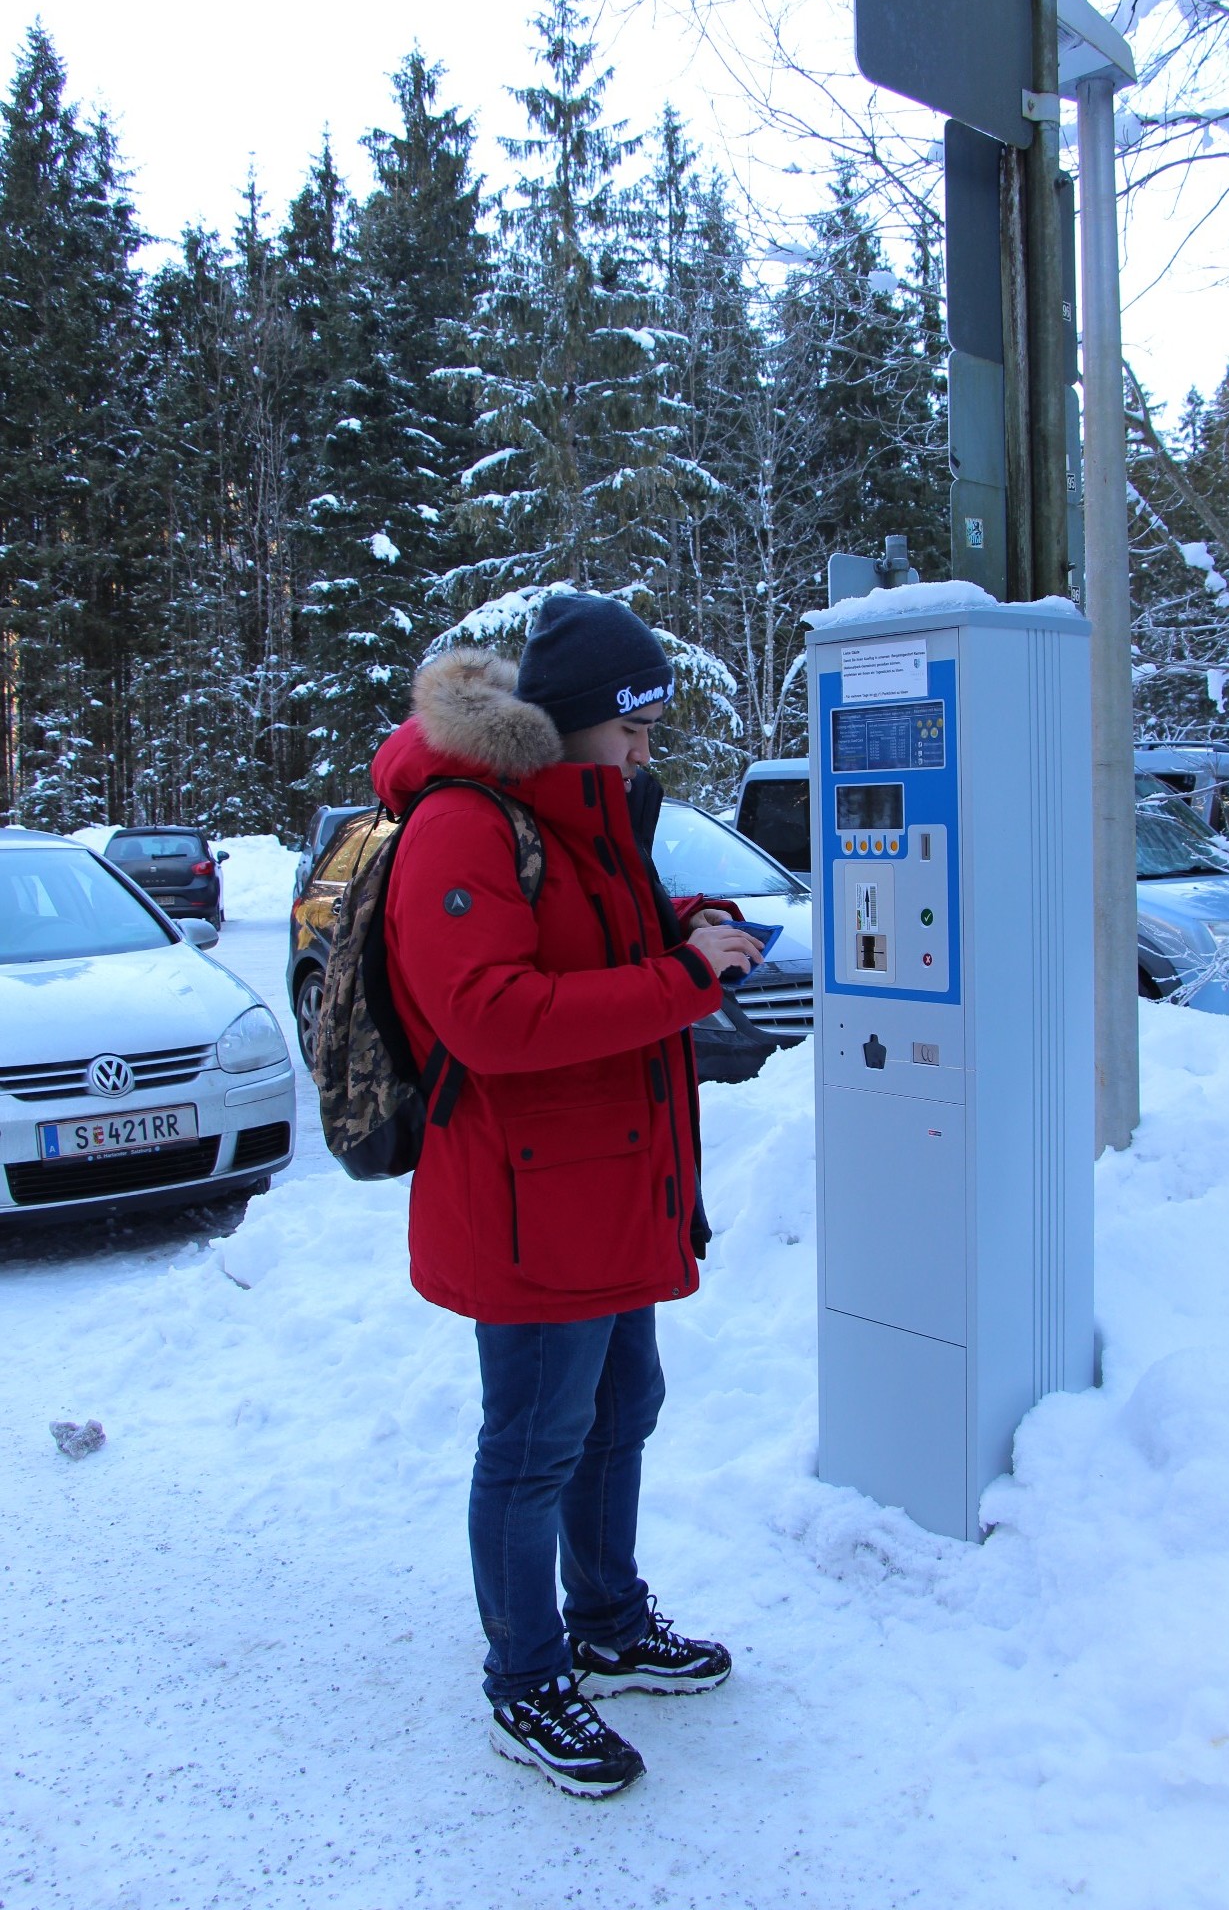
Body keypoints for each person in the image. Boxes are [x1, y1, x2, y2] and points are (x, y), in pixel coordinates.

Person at [369, 594, 764, 1798]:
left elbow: (605, 939)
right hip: (528, 1198)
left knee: (620, 1405)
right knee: (535, 1440)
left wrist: (690, 922)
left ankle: (606, 1617)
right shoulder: (463, 826)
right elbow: (489, 1015)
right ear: (575, 719)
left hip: (610, 1186)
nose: (649, 747)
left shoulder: (585, 814)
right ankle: (525, 1673)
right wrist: (681, 978)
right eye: (634, 725)